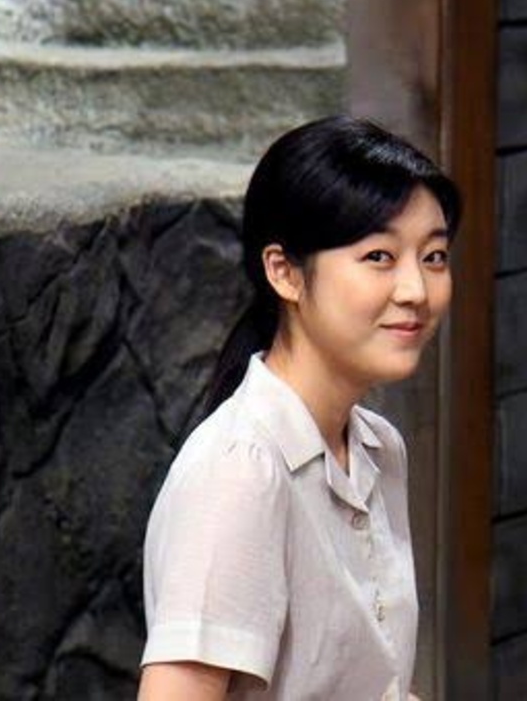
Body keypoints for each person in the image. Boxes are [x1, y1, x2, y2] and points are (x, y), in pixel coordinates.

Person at [137, 115, 460, 700]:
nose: (416, 290)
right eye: (380, 256)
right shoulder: (240, 471)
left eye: (434, 256)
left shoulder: (379, 447)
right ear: (284, 272)